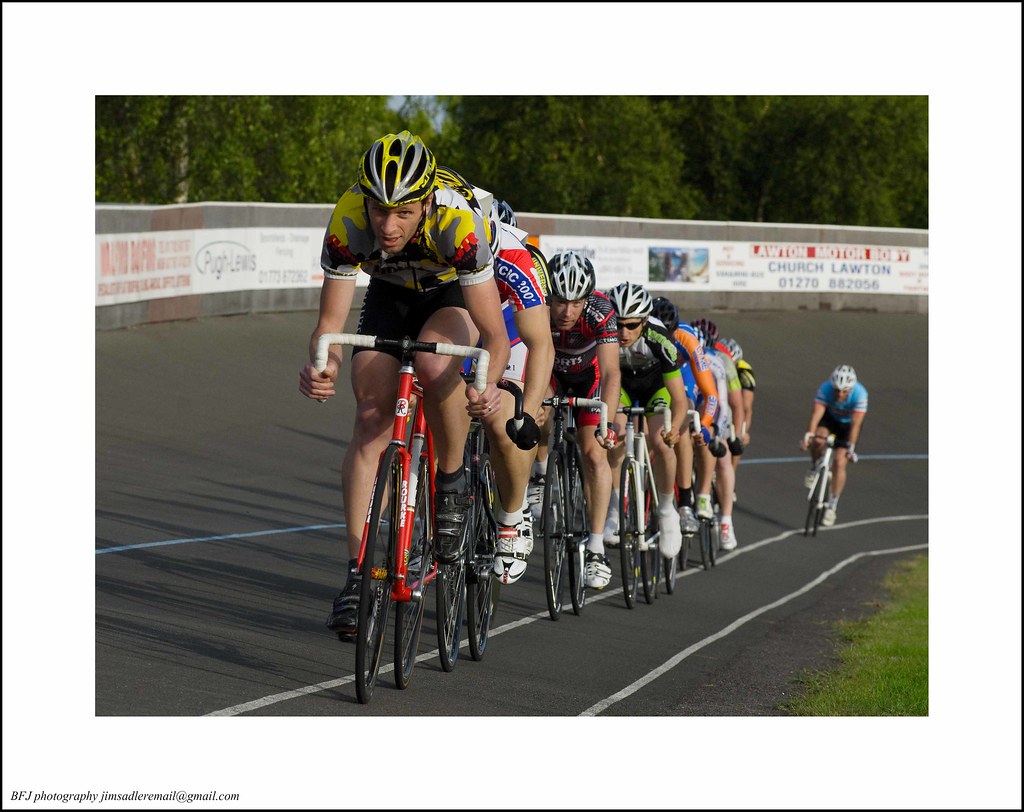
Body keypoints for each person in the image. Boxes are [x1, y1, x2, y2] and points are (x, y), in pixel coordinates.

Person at [298, 131, 510, 639]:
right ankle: (358, 575)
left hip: (450, 294)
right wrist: (319, 366)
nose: (387, 226)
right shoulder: (348, 220)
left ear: (428, 202)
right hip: (390, 297)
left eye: (403, 213)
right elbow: (330, 326)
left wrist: (489, 384)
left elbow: (496, 337)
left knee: (436, 366)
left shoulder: (458, 222)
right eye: (379, 211)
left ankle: (452, 477)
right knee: (371, 416)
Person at [530, 250, 624, 589]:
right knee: (537, 414)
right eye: (559, 302)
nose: (567, 312)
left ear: (588, 298)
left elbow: (612, 372)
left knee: (594, 453)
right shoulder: (535, 299)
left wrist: (608, 424)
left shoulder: (601, 310)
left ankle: (596, 547)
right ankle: (539, 478)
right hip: (548, 369)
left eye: (576, 303)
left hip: (589, 376)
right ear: (549, 295)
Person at [479, 196, 554, 584]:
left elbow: (539, 340)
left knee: (506, 422)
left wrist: (532, 404)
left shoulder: (524, 258)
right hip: (467, 318)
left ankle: (515, 510)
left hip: (512, 328)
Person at [603, 282, 688, 561]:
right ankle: (615, 509)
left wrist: (674, 429)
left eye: (630, 325)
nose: (623, 332)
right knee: (613, 435)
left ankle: (667, 511)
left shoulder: (660, 338)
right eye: (618, 325)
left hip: (656, 387)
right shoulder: (605, 332)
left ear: (644, 322)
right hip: (623, 385)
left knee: (661, 443)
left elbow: (679, 397)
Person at [652, 297, 718, 537]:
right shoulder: (640, 334)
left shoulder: (687, 339)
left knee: (683, 421)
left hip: (682, 373)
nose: (665, 341)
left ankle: (687, 502)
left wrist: (705, 426)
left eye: (668, 335)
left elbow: (711, 395)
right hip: (654, 372)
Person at [690, 318, 745, 551]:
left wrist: (737, 435)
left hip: (716, 410)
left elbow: (734, 404)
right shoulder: (681, 359)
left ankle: (726, 522)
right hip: (693, 407)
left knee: (722, 460)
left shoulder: (721, 363)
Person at [799, 364, 868, 527]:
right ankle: (816, 465)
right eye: (837, 390)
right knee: (818, 440)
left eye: (844, 391)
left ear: (851, 389)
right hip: (829, 420)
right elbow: (816, 414)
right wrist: (809, 434)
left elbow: (856, 425)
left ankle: (832, 504)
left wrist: (851, 448)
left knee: (839, 462)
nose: (840, 394)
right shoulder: (825, 388)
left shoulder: (860, 394)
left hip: (847, 426)